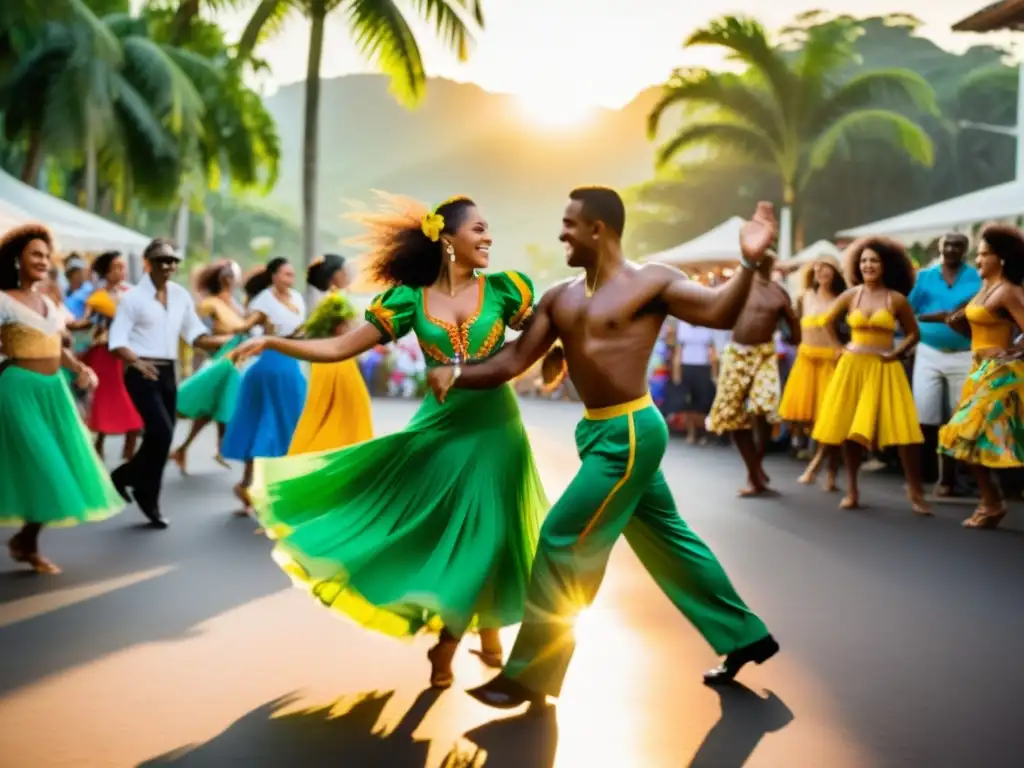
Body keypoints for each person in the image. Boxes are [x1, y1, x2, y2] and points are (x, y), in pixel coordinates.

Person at [427, 188, 779, 709]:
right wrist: (456, 372)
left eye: (569, 224)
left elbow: (720, 313)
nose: (561, 234)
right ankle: (746, 636)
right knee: (669, 541)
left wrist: (749, 261)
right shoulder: (560, 297)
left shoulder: (653, 281)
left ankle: (530, 674)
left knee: (562, 539)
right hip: (597, 433)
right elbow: (514, 360)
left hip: (631, 433)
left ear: (599, 230)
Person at [228, 194, 548, 689]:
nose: (488, 238)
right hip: (439, 434)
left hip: (498, 432)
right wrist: (274, 342)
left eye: (489, 230)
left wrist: (562, 352)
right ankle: (464, 633)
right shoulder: (409, 300)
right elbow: (338, 346)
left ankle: (461, 638)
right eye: (479, 229)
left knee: (495, 535)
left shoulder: (507, 291)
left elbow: (547, 333)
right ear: (447, 239)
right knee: (457, 538)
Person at [0, 224, 122, 574]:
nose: (42, 260)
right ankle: (27, 542)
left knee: (57, 469)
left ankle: (26, 541)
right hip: (18, 391)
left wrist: (80, 368)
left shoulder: (50, 301)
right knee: (44, 467)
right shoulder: (3, 299)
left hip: (54, 391)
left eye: (44, 255)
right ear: (16, 259)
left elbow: (55, 342)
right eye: (34, 254)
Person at [107, 239, 227, 528]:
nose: (169, 266)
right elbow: (116, 341)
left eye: (173, 261)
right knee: (160, 432)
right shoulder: (133, 298)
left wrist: (228, 342)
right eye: (162, 260)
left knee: (164, 436)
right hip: (141, 371)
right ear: (148, 262)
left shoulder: (180, 295)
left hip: (169, 372)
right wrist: (135, 361)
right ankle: (134, 484)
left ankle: (135, 483)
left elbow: (195, 334)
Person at [812, 238, 929, 514]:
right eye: (864, 260)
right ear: (857, 265)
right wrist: (838, 348)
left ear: (885, 265)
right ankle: (852, 490)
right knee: (850, 432)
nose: (868, 265)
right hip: (852, 366)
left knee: (904, 432)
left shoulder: (896, 299)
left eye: (874, 260)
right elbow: (826, 320)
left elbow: (914, 333)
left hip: (885, 366)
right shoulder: (852, 295)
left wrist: (896, 353)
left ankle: (916, 491)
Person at [939, 224, 1024, 529]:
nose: (978, 260)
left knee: (966, 433)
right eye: (978, 254)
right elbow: (976, 324)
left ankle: (992, 502)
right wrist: (955, 321)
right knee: (972, 440)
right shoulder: (985, 289)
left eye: (985, 254)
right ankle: (991, 503)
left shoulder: (1009, 291)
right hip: (979, 372)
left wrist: (1013, 351)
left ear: (1001, 259)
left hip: (1001, 376)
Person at [706, 252, 800, 496]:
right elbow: (715, 314)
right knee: (731, 413)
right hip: (737, 354)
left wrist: (792, 320)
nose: (764, 262)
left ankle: (754, 469)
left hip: (765, 354)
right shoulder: (738, 287)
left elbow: (795, 335)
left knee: (765, 406)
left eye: (768, 259)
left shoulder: (779, 292)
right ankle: (754, 470)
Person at [220, 258, 308, 515]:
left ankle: (259, 487)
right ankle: (252, 485)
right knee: (263, 424)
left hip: (292, 367)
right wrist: (226, 328)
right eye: (285, 274)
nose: (290, 279)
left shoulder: (298, 298)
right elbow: (246, 326)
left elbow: (301, 332)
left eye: (293, 275)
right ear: (273, 276)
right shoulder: (263, 302)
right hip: (269, 368)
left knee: (288, 426)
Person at [170, 259, 265, 473]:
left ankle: (184, 450)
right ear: (224, 279)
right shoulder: (209, 304)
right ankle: (221, 447)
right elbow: (194, 335)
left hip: (238, 359)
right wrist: (194, 361)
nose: (235, 281)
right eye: (232, 276)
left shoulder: (237, 304)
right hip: (223, 361)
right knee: (223, 403)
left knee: (213, 408)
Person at [909, 233, 979, 496]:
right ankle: (920, 475)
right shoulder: (925, 276)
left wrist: (953, 318)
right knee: (925, 415)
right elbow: (909, 309)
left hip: (964, 351)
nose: (951, 249)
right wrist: (939, 319)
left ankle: (949, 478)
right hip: (929, 350)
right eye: (946, 245)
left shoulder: (975, 276)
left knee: (957, 417)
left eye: (957, 245)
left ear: (965, 250)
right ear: (939, 247)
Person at [286, 254, 373, 455]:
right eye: (344, 271)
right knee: (351, 412)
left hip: (325, 364)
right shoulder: (337, 301)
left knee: (323, 414)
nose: (348, 275)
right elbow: (345, 334)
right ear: (335, 275)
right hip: (338, 363)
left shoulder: (326, 300)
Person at [779, 255, 846, 491]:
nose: (821, 272)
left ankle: (822, 468)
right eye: (817, 268)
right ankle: (823, 466)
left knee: (830, 418)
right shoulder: (804, 297)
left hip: (830, 362)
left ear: (835, 273)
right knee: (805, 419)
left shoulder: (841, 300)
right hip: (806, 361)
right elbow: (792, 328)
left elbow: (846, 330)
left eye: (826, 269)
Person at [80, 251, 143, 461]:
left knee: (130, 400)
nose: (121, 271)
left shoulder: (132, 293)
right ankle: (100, 445)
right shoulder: (97, 297)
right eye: (116, 267)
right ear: (106, 272)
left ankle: (124, 448)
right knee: (109, 401)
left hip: (131, 353)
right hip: (106, 354)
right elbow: (85, 322)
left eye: (123, 266)